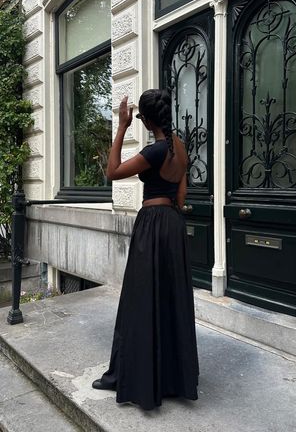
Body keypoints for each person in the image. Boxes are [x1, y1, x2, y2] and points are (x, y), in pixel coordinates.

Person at [92, 89, 199, 410]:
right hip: (173, 226)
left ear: (147, 120)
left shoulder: (154, 152)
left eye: (140, 118)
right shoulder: (180, 148)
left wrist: (122, 127)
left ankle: (134, 377)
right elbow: (181, 200)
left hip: (151, 224)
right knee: (169, 300)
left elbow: (112, 172)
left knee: (139, 301)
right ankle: (170, 378)